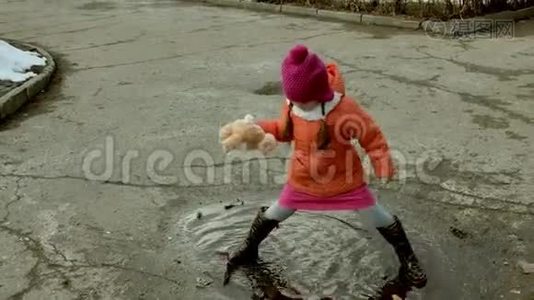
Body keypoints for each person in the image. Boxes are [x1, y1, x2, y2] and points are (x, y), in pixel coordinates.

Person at [223, 44, 427, 290]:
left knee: (376, 215)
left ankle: (409, 260)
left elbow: (371, 136)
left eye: (304, 102)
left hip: (345, 180)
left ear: (320, 93)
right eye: (294, 100)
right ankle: (249, 248)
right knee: (277, 211)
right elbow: (282, 130)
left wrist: (381, 163)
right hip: (303, 180)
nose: (298, 106)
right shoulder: (292, 105)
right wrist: (255, 130)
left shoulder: (344, 109)